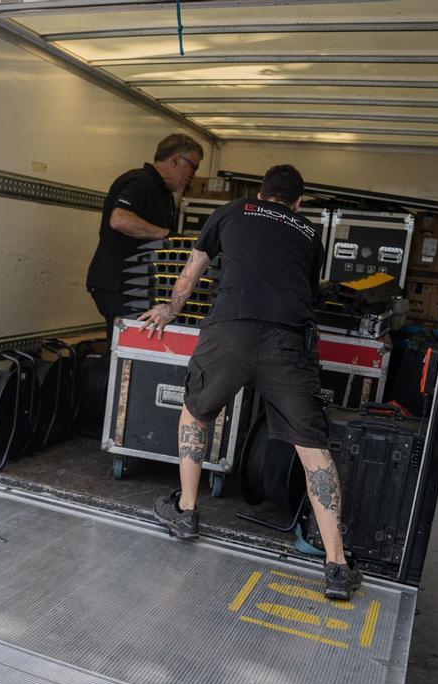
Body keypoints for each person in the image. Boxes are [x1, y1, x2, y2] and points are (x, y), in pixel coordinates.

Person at [139, 164, 362, 601]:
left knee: (196, 410)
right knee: (313, 448)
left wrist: (169, 310)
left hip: (230, 331)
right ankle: (336, 565)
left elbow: (191, 272)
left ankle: (185, 512)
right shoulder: (309, 232)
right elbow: (309, 291)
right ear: (299, 202)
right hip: (286, 342)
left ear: (261, 193)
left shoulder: (233, 210)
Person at [86, 133, 204, 342]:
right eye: (193, 167)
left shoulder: (164, 194)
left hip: (136, 287)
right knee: (130, 345)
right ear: (175, 160)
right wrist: (167, 235)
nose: (193, 176)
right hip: (117, 283)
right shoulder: (140, 181)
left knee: (139, 344)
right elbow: (119, 219)